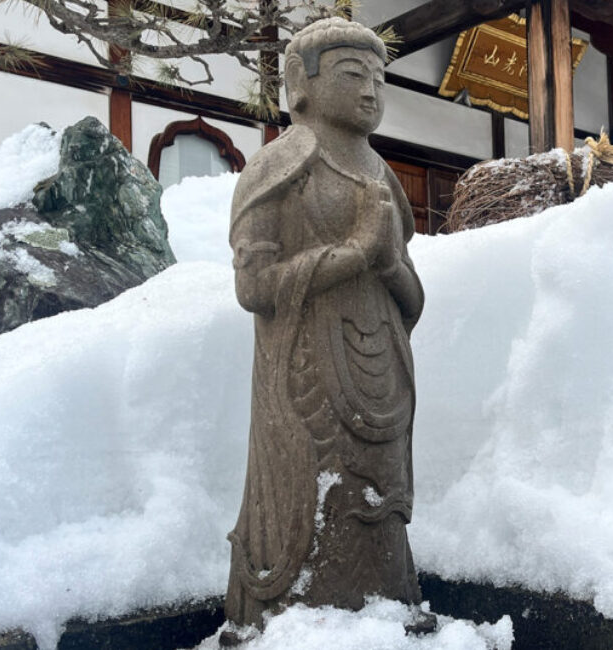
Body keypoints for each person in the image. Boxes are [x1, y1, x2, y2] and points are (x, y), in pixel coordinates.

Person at [221, 17, 430, 644]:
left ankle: (385, 613)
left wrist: (386, 263)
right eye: (351, 75)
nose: (370, 91)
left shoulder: (383, 175)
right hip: (305, 373)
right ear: (300, 84)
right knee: (311, 497)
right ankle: (295, 620)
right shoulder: (278, 167)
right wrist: (354, 252)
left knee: (382, 503)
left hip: (382, 372)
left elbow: (411, 296)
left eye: (379, 79)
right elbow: (253, 288)